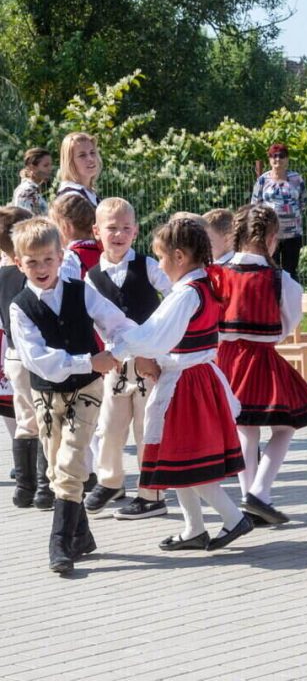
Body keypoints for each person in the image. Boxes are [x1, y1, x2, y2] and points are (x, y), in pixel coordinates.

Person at [111, 218, 253, 553]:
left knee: (186, 459)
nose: (159, 264)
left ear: (178, 256)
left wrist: (118, 349)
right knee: (177, 460)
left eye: (160, 257)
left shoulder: (186, 294)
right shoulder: (202, 285)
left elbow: (154, 334)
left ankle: (233, 518)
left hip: (186, 384)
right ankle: (194, 528)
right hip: (195, 378)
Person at [9, 218, 133, 574]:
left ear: (61, 257)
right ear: (19, 263)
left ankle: (59, 543)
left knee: (72, 460)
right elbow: (39, 360)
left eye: (48, 259)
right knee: (54, 466)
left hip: (87, 388)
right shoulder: (20, 307)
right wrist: (87, 359)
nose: (41, 268)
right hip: (47, 393)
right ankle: (82, 535)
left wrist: (122, 349)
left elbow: (116, 321)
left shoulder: (81, 291)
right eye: (31, 262)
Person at [209, 205, 307, 525]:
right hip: (260, 359)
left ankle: (252, 498)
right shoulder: (280, 279)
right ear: (273, 239)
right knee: (285, 426)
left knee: (246, 429)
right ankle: (258, 493)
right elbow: (288, 323)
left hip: (225, 359)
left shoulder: (218, 273)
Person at [84, 198, 172, 520]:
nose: (118, 234)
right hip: (116, 363)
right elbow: (94, 318)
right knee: (108, 425)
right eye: (111, 228)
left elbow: (173, 298)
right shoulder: (91, 277)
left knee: (147, 426)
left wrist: (157, 346)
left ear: (135, 231)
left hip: (149, 359)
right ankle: (109, 480)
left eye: (125, 228)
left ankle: (152, 493)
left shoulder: (148, 266)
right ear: (97, 232)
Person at [0, 206, 44, 508]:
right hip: (39, 354)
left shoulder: (1, 275)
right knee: (45, 419)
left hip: (13, 354)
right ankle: (45, 486)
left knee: (26, 419)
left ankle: (24, 487)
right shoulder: (33, 273)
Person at [250, 143, 307, 280]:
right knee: (271, 271)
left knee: (291, 271)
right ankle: (274, 300)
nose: (278, 159)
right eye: (274, 156)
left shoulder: (296, 179)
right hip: (270, 234)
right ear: (269, 159)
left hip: (293, 234)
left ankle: (290, 300)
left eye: (281, 156)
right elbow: (255, 205)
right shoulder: (263, 180)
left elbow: (303, 202)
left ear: (287, 159)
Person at [50, 193, 100, 280]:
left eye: (54, 226)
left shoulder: (69, 259)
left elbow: (65, 289)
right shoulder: (104, 251)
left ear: (66, 227)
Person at [56, 132, 101, 206]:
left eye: (92, 152)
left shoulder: (89, 192)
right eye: (82, 155)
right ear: (70, 162)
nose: (90, 159)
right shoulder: (71, 197)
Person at [11, 148, 52, 215]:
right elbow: (27, 222)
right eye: (45, 165)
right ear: (32, 167)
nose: (50, 169)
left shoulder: (32, 190)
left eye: (50, 165)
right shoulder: (26, 192)